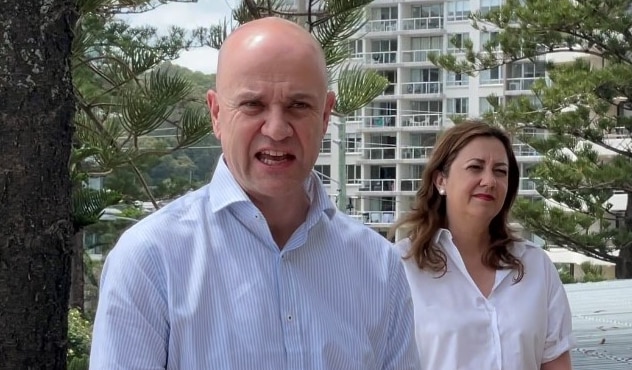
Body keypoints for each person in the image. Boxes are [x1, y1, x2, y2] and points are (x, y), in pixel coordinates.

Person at [89, 17, 420, 370]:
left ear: (325, 115)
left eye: (298, 106)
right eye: (252, 105)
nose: (276, 129)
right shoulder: (151, 259)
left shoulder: (378, 267)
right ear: (216, 114)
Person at [389, 121, 575, 370]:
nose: (489, 181)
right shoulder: (399, 267)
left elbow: (556, 363)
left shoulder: (536, 266)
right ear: (441, 180)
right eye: (475, 167)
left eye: (500, 171)